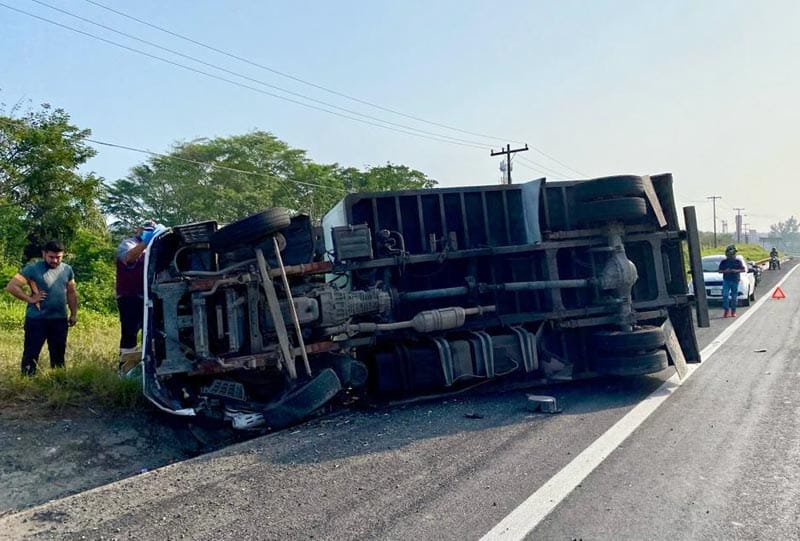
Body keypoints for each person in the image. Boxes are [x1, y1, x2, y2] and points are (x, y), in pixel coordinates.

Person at [5, 240, 78, 375]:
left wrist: (73, 314)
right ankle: (27, 382)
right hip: (37, 319)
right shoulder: (33, 268)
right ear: (44, 254)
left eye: (58, 257)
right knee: (31, 354)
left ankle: (58, 380)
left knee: (58, 355)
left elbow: (71, 292)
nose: (55, 260)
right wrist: (30, 298)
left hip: (59, 319)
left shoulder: (67, 269)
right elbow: (12, 286)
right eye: (51, 257)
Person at [115, 221, 157, 365]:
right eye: (146, 230)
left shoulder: (156, 246)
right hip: (130, 296)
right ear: (139, 229)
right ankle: (125, 366)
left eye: (152, 230)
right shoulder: (127, 244)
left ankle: (149, 365)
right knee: (130, 332)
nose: (148, 232)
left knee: (153, 332)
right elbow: (129, 258)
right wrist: (145, 242)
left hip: (151, 296)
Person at [718, 244, 745, 318]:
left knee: (734, 297)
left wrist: (735, 270)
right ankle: (726, 310)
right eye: (733, 253)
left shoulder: (738, 261)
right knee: (725, 295)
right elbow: (719, 271)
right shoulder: (724, 262)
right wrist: (725, 271)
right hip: (726, 280)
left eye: (734, 254)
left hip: (735, 280)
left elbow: (743, 269)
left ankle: (733, 311)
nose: (734, 255)